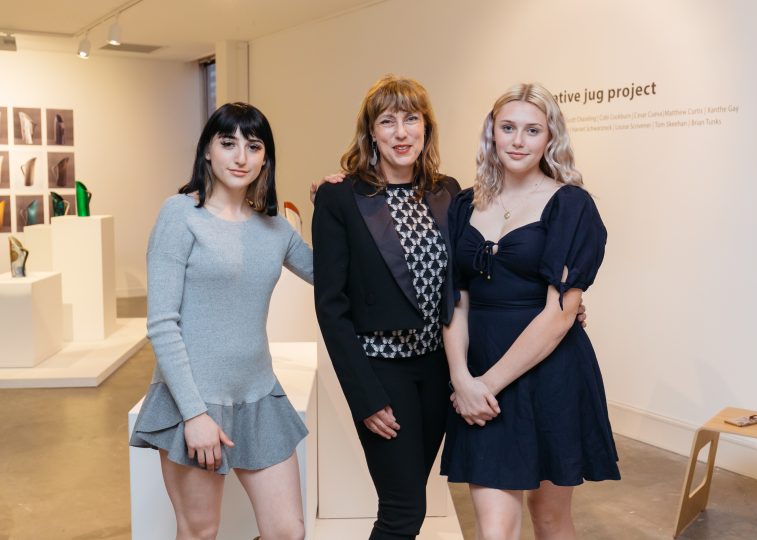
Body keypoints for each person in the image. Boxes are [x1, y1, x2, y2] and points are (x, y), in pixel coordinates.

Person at [440, 83, 620, 540]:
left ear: (549, 138)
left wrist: (485, 387)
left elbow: (561, 314)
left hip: (548, 374)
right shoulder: (464, 203)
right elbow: (454, 299)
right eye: (508, 128)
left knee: (550, 518)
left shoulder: (572, 205)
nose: (518, 141)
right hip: (477, 372)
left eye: (532, 130)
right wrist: (462, 378)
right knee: (494, 529)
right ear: (492, 134)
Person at [129, 102, 312, 540]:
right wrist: (194, 414)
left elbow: (332, 278)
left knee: (287, 531)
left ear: (265, 157)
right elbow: (162, 324)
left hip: (258, 395)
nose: (241, 156)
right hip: (194, 400)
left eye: (253, 146)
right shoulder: (180, 215)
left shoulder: (276, 229)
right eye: (227, 143)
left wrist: (340, 203)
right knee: (200, 532)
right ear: (207, 151)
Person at [311, 75, 461, 540]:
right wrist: (366, 396)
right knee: (402, 511)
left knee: (409, 496)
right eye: (388, 121)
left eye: (411, 120)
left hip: (438, 371)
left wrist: (564, 304)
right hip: (381, 371)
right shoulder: (341, 197)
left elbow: (477, 274)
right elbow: (331, 307)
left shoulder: (449, 191)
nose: (401, 132)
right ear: (371, 132)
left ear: (426, 129)